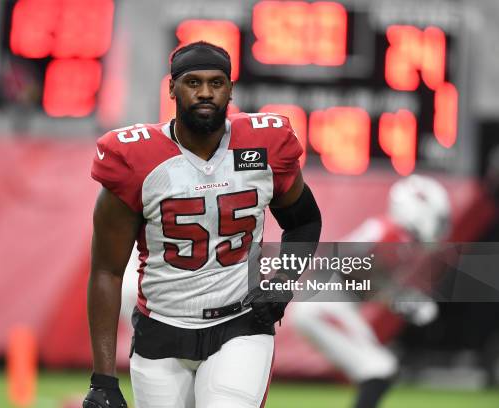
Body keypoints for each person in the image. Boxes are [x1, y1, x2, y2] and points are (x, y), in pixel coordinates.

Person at [83, 41, 322, 408]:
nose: (206, 92)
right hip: (161, 329)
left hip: (239, 325)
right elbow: (106, 271)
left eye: (217, 82)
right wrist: (102, 379)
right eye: (193, 82)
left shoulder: (263, 146)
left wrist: (283, 285)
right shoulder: (133, 159)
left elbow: (305, 221)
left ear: (230, 88)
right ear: (172, 88)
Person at [291, 175, 451, 408]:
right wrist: (398, 298)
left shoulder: (397, 238)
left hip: (329, 304)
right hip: (322, 306)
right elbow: (341, 262)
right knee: (379, 366)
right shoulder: (391, 233)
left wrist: (397, 297)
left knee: (382, 367)